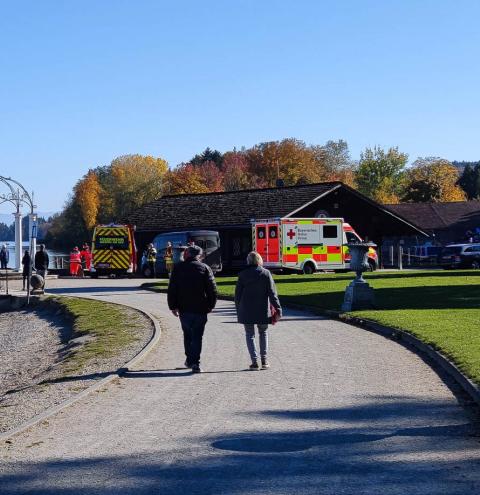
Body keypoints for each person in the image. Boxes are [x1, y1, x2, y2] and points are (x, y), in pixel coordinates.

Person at [167, 245, 217, 373]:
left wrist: (173, 306)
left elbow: (172, 289)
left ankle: (190, 359)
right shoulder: (205, 268)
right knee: (197, 336)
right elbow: (212, 289)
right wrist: (211, 305)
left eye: (185, 252)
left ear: (188, 254)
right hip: (200, 308)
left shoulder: (178, 268)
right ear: (198, 255)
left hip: (184, 308)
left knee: (188, 334)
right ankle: (195, 362)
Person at [235, 251, 282, 370]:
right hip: (262, 309)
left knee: (249, 335)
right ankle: (264, 361)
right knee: (263, 333)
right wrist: (278, 308)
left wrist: (238, 310)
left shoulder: (242, 274)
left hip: (246, 310)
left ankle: (254, 362)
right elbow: (272, 294)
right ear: (259, 260)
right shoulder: (266, 273)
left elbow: (237, 296)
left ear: (248, 261)